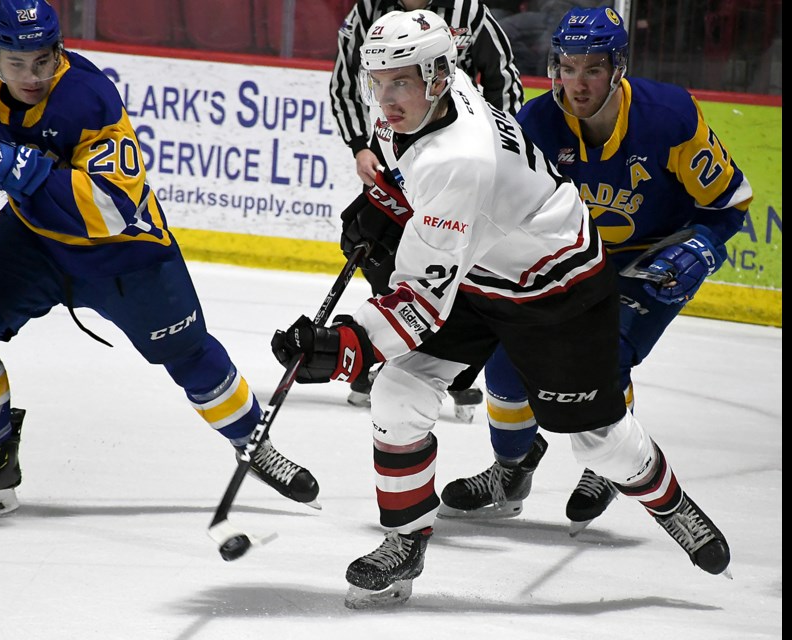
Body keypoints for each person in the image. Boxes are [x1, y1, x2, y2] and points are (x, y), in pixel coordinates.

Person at [271, 8, 731, 609]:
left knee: (598, 441)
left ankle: (670, 502)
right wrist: (383, 205)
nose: (385, 98)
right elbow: (415, 186)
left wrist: (339, 350)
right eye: (378, 81)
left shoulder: (458, 161)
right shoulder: (444, 91)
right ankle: (405, 540)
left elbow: (418, 305)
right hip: (479, 265)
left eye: (401, 81)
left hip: (555, 288)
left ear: (436, 76)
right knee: (400, 392)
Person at [0, 0, 319, 521]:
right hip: (33, 239)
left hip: (124, 255)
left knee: (190, 354)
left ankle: (255, 445)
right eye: (16, 62)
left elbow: (113, 208)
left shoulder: (88, 97)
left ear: (59, 50)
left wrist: (21, 169)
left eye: (43, 60)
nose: (32, 75)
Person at [438, 6, 753, 536]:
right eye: (567, 67)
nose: (577, 83)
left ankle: (607, 461)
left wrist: (701, 246)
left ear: (618, 67)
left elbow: (730, 201)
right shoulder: (534, 126)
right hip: (574, 258)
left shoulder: (669, 116)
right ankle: (511, 472)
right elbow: (504, 217)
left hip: (655, 259)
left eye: (592, 68)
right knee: (507, 358)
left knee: (607, 352)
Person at [330, 0, 525, 417]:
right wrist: (360, 145)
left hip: (453, 153)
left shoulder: (467, 9)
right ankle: (387, 349)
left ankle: (455, 365)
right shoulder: (370, 10)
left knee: (455, 263)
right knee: (378, 242)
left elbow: (502, 77)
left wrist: (493, 145)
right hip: (404, 145)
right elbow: (347, 79)